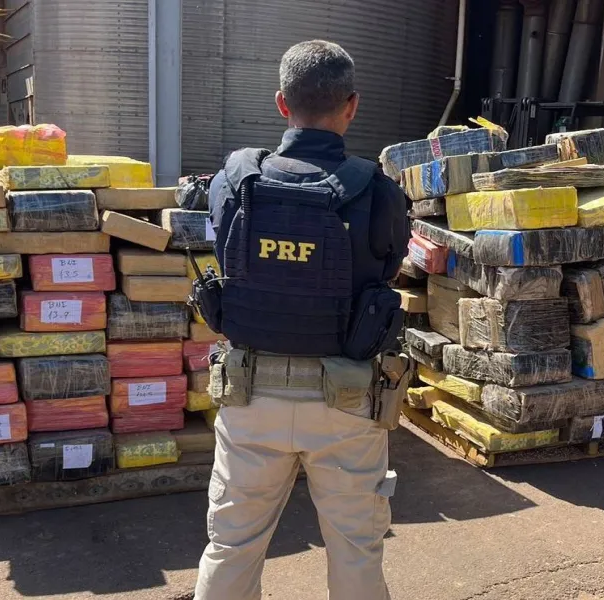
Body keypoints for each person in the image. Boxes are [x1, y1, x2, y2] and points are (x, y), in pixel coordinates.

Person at [192, 40, 411, 600]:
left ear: (281, 103)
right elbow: (388, 269)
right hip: (346, 402)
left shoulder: (234, 182)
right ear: (352, 105)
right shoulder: (378, 191)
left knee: (232, 546)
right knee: (356, 550)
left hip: (249, 399)